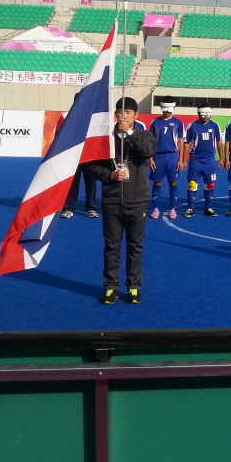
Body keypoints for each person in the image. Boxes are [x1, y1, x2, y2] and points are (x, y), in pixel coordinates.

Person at [87, 96, 156, 305]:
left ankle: (134, 286)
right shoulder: (105, 138)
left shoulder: (144, 135)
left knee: (135, 246)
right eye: (119, 111)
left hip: (137, 200)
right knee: (111, 246)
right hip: (112, 200)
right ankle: (110, 286)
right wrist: (110, 176)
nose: (122, 115)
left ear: (136, 115)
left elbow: (149, 151)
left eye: (127, 112)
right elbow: (90, 167)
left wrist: (129, 133)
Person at [58, 93, 99, 219]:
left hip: (90, 156)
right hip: (73, 157)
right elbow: (58, 138)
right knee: (72, 183)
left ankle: (91, 208)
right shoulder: (65, 117)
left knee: (91, 183)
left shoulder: (95, 117)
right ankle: (69, 208)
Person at [148, 96, 185, 220]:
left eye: (169, 109)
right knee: (157, 183)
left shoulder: (178, 123)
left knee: (173, 182)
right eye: (165, 108)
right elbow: (150, 141)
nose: (167, 111)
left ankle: (172, 208)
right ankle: (156, 208)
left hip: (172, 156)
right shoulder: (155, 122)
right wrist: (150, 158)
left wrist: (181, 159)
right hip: (158, 156)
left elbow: (180, 141)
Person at [181, 104, 222, 217]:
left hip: (210, 160)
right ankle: (190, 208)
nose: (206, 116)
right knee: (192, 184)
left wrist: (222, 158)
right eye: (203, 113)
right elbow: (186, 144)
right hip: (195, 160)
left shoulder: (215, 126)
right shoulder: (192, 126)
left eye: (208, 113)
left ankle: (208, 208)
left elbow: (219, 142)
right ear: (198, 113)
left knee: (210, 184)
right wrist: (184, 160)